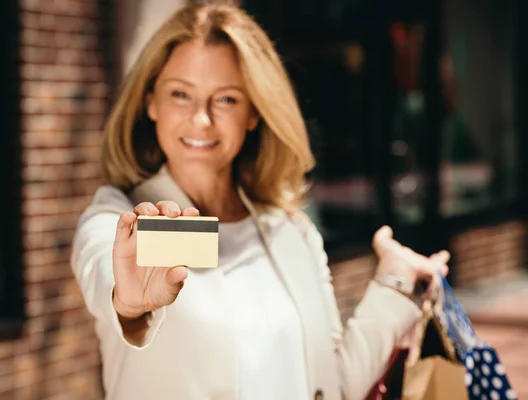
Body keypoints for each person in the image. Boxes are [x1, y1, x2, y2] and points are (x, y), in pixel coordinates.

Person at [71, 3, 449, 399]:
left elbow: (332, 385)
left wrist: (394, 281)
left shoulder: (292, 230)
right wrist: (129, 303)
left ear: (254, 112)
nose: (201, 119)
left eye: (227, 99)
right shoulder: (116, 219)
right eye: (180, 94)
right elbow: (105, 272)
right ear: (150, 102)